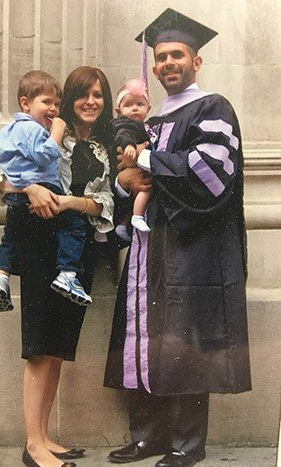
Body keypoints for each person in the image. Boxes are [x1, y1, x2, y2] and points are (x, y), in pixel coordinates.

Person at [104, 8, 251, 467]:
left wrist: (146, 164)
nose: (168, 62)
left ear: (196, 61)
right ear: (154, 67)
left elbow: (211, 172)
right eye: (161, 57)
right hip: (151, 250)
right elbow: (125, 178)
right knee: (145, 338)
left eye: (177, 55)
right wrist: (123, 181)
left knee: (186, 340)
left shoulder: (213, 108)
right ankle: (147, 436)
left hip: (193, 251)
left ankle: (188, 445)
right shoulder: (147, 119)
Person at [0, 66, 114, 467]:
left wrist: (69, 203)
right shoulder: (43, 131)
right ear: (69, 100)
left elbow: (105, 203)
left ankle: (45, 435)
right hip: (42, 245)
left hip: (79, 251)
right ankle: (32, 445)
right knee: (40, 349)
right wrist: (31, 187)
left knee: (59, 350)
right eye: (83, 94)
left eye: (98, 94)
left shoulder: (102, 148)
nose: (90, 101)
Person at [0, 70, 92, 312]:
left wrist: (21, 185)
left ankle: (1, 278)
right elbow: (45, 155)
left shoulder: (8, 131)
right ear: (25, 103)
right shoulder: (33, 130)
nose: (54, 109)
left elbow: (0, 160)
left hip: (17, 199)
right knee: (73, 226)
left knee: (10, 237)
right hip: (44, 191)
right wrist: (56, 132)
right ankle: (67, 274)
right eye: (46, 102)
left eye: (57, 103)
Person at [111, 78, 156, 239]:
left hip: (142, 168)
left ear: (148, 108)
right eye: (128, 105)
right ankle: (135, 218)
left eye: (140, 104)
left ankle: (125, 223)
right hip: (131, 166)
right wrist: (130, 146)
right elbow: (124, 134)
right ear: (119, 110)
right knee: (144, 191)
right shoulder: (124, 123)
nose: (135, 109)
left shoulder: (148, 126)